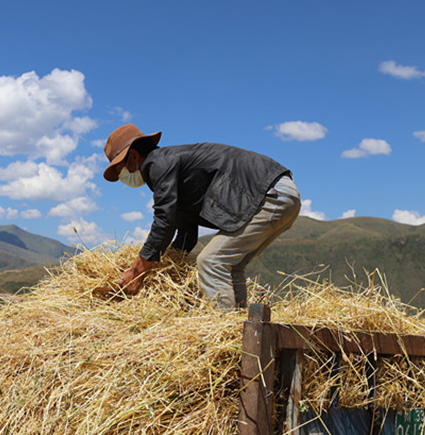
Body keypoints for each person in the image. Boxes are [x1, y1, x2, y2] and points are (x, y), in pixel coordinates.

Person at [103, 123, 301, 310]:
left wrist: (137, 271)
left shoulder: (158, 163)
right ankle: (241, 326)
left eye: (121, 170)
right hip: (280, 194)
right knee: (231, 266)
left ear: (134, 156)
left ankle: (224, 329)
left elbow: (164, 221)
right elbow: (186, 234)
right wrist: (169, 266)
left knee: (210, 262)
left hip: (268, 195)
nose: (122, 177)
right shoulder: (176, 168)